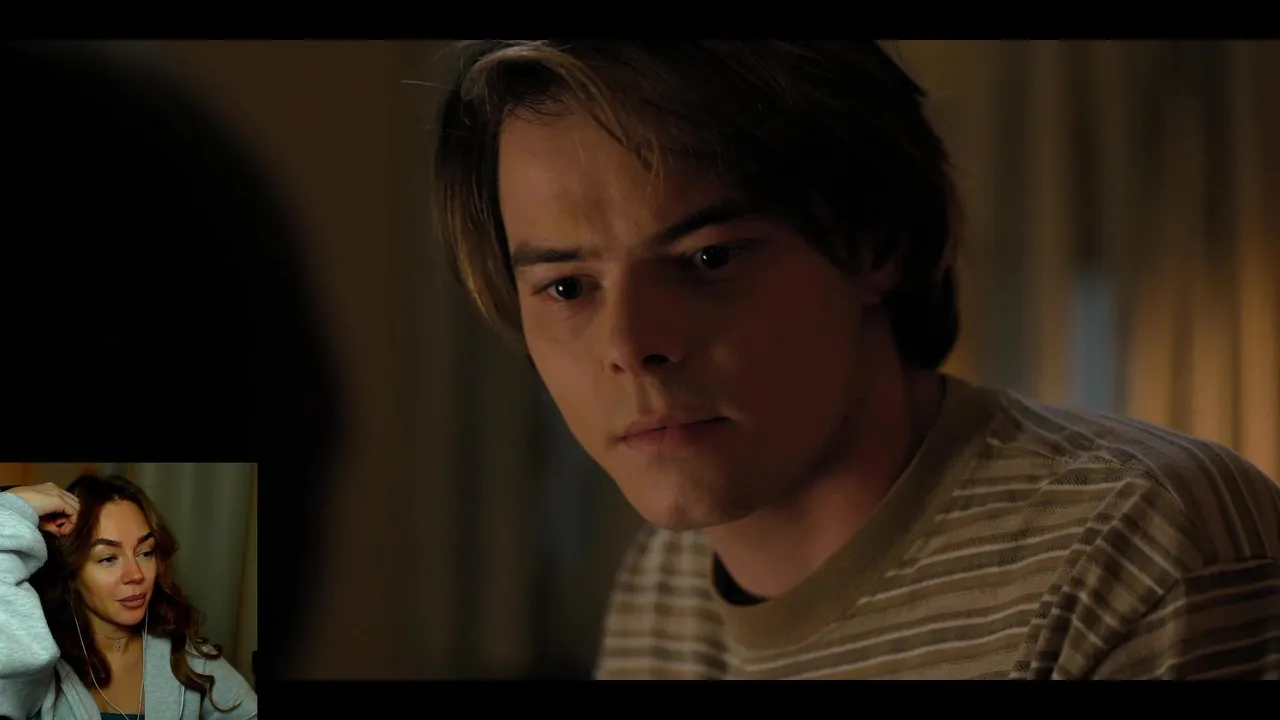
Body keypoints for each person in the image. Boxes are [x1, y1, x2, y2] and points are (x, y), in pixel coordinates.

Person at [430, 40, 1280, 679]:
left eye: (709, 258)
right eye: (567, 288)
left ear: (874, 243)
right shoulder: (663, 588)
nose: (629, 346)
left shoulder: (1139, 546)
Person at [0, 475, 258, 718]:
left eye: (145, 552)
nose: (136, 574)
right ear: (71, 570)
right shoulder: (32, 662)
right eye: (108, 558)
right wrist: (13, 508)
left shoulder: (186, 658)